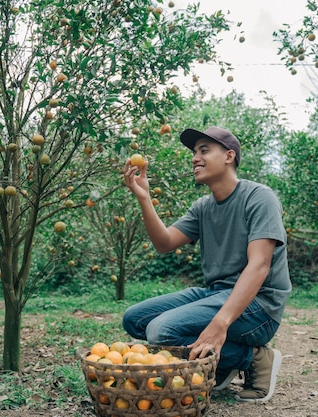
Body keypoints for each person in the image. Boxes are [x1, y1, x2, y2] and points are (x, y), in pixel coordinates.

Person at [122, 126, 291, 402]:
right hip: (215, 293)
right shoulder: (203, 207)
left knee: (160, 331)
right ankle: (227, 362)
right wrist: (144, 197)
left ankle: (254, 358)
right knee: (136, 319)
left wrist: (220, 323)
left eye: (204, 150)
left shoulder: (259, 197)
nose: (194, 158)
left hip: (259, 306)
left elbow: (259, 266)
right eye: (193, 152)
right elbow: (164, 243)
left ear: (228, 156)